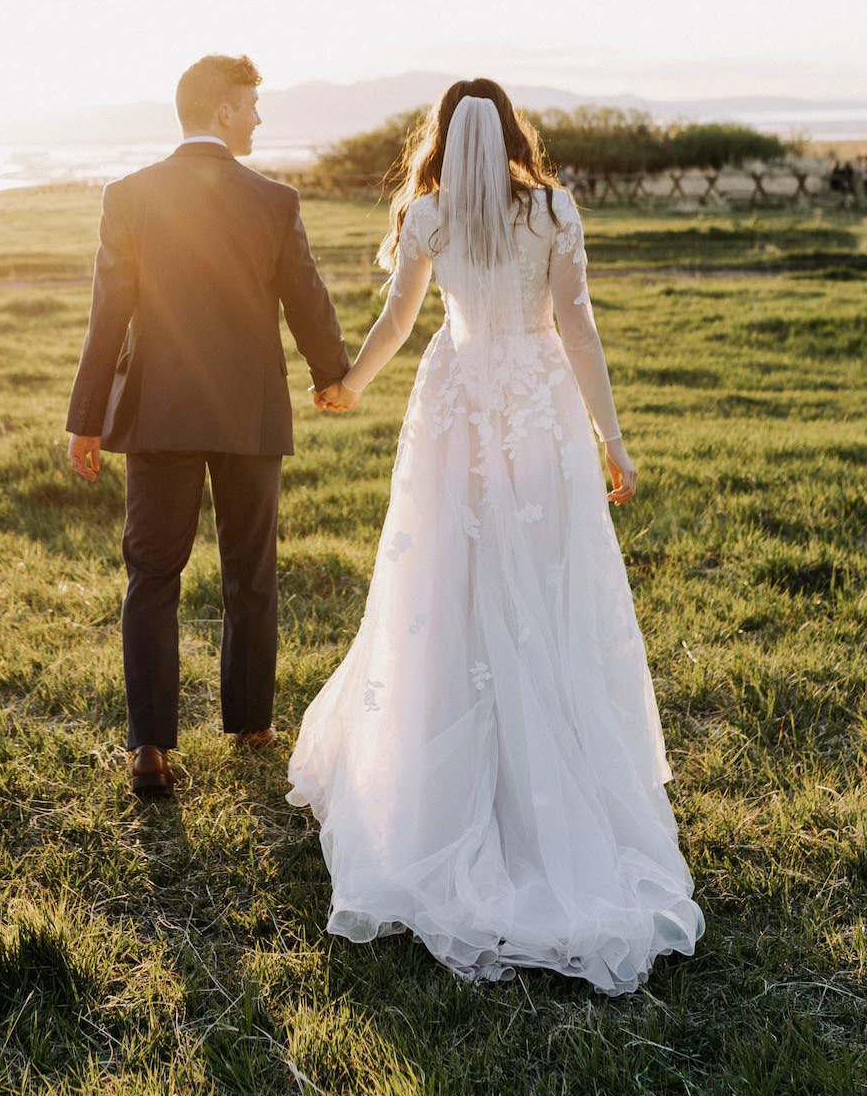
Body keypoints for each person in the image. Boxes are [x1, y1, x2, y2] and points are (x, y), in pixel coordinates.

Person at [285, 79, 706, 996]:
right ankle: (552, 781)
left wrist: (352, 384)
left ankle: (452, 781)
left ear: (443, 136)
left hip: (460, 402)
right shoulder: (553, 209)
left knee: (453, 577)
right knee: (547, 580)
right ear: (514, 130)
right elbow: (578, 329)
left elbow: (401, 320)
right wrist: (613, 440)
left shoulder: (430, 214)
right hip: (539, 412)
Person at [66, 54, 352, 796]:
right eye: (253, 104)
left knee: (152, 575)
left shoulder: (128, 195)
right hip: (248, 412)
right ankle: (252, 721)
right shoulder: (273, 200)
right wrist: (331, 377)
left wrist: (86, 420)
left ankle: (150, 749)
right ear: (224, 110)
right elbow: (306, 298)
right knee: (248, 572)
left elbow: (108, 316)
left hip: (155, 413)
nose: (259, 118)